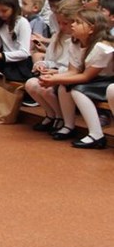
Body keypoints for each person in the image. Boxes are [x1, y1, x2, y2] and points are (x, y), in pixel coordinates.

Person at [40, 9, 114, 148]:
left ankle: (96, 135)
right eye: (73, 21)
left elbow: (86, 76)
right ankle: (69, 126)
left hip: (106, 80)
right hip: (93, 79)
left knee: (78, 90)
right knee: (64, 86)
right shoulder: (75, 43)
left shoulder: (102, 47)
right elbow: (72, 71)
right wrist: (54, 77)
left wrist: (55, 80)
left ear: (91, 29)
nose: (73, 25)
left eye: (78, 22)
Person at [25, 0, 81, 133]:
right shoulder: (57, 36)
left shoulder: (80, 40)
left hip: (67, 75)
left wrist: (56, 71)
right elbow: (51, 59)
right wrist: (42, 64)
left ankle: (61, 118)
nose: (61, 26)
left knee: (46, 89)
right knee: (30, 84)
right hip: (55, 72)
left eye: (65, 23)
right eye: (59, 22)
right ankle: (52, 114)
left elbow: (77, 68)